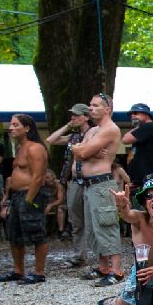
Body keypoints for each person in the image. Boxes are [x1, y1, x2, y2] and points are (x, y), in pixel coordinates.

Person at [99, 174, 153, 305]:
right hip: (143, 270)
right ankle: (117, 299)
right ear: (145, 203)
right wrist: (122, 205)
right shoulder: (139, 219)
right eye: (149, 196)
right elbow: (127, 215)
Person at [70, 93, 125, 286]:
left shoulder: (110, 129)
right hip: (88, 185)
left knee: (107, 224)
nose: (91, 109)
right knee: (93, 228)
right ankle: (103, 267)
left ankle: (117, 270)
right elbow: (77, 152)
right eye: (90, 105)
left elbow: (82, 152)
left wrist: (84, 150)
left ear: (107, 109)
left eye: (96, 106)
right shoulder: (93, 131)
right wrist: (83, 150)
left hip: (102, 184)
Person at [0, 115, 49, 284]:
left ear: (26, 128)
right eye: (11, 124)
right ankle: (18, 271)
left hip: (31, 194)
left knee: (36, 232)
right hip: (17, 195)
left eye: (15, 125)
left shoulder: (35, 148)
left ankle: (39, 272)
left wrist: (29, 199)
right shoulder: (19, 148)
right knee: (14, 233)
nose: (11, 128)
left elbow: (38, 176)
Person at [46, 104, 93, 261]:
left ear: (86, 117)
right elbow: (51, 140)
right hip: (74, 182)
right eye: (72, 115)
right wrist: (68, 126)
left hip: (91, 181)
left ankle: (100, 256)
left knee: (92, 219)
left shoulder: (95, 133)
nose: (73, 117)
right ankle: (80, 255)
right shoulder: (73, 137)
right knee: (76, 220)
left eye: (77, 115)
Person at [123, 103, 153, 188]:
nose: (132, 116)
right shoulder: (144, 129)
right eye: (131, 114)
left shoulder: (149, 126)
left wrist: (138, 127)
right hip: (141, 179)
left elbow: (125, 139)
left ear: (146, 114)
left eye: (135, 113)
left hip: (148, 179)